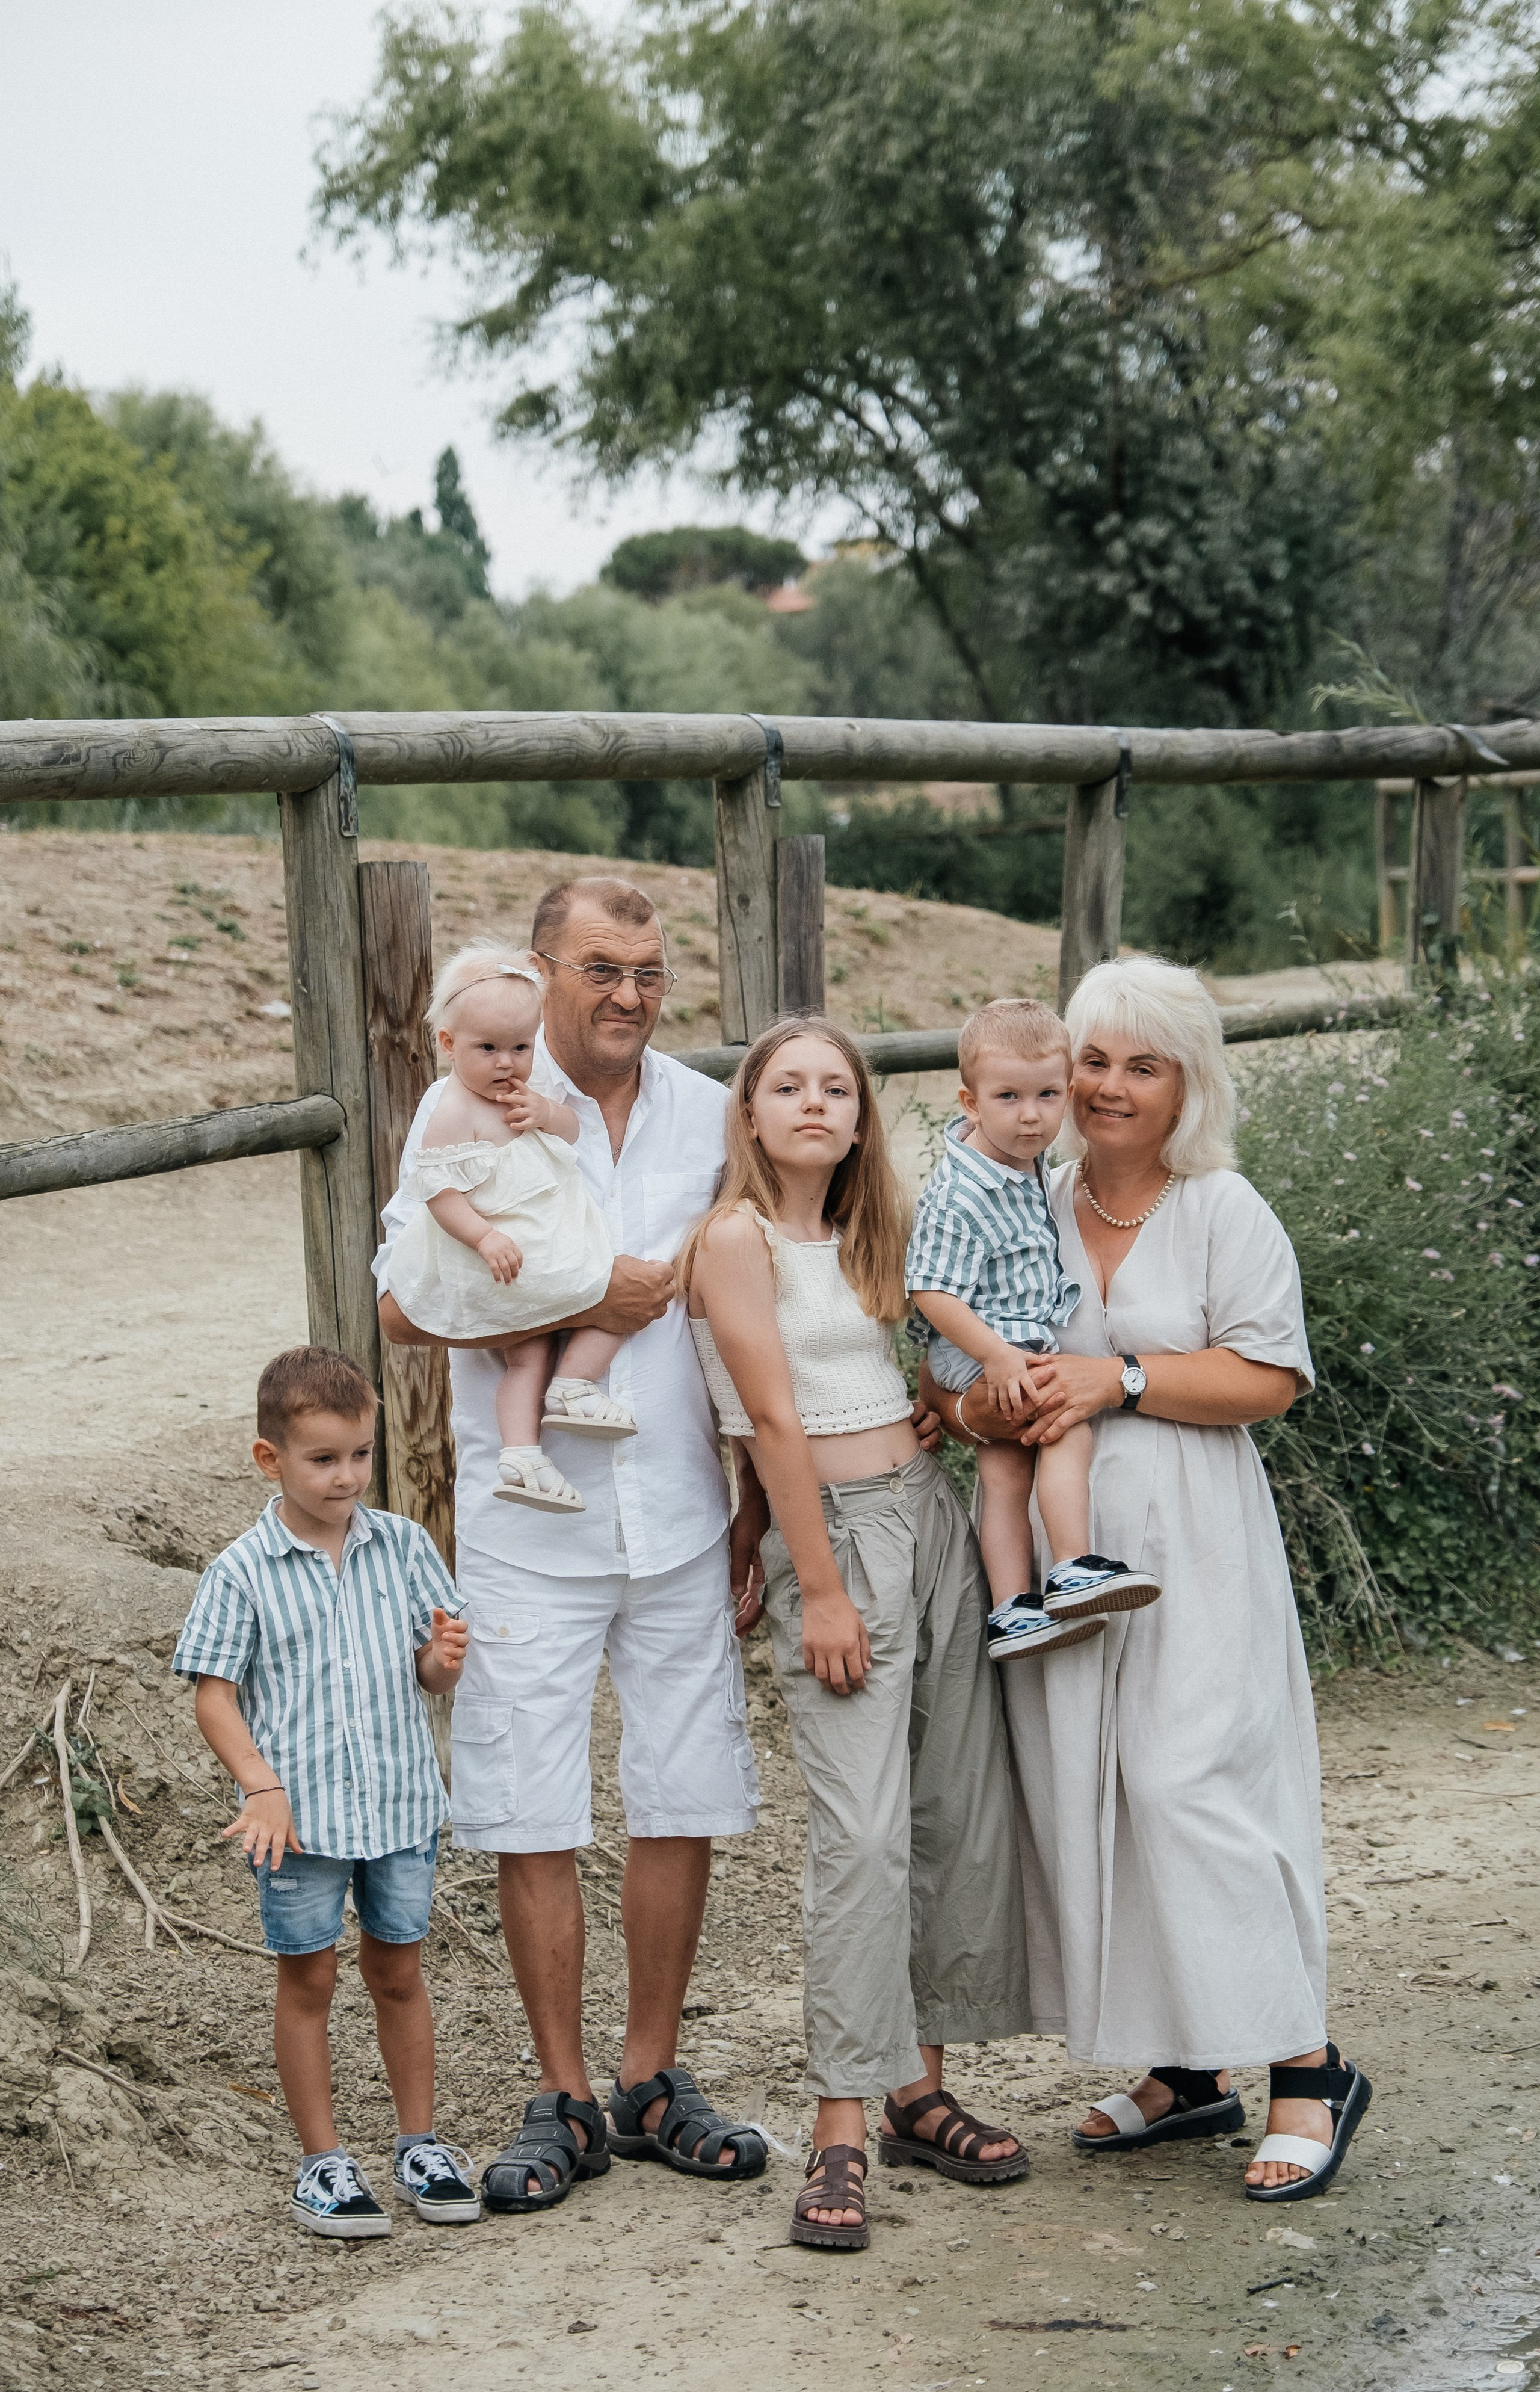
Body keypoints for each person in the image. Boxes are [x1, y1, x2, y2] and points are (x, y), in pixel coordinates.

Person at [925, 957, 1372, 2204]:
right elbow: (950, 1362)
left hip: (1190, 1534)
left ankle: (1308, 2064)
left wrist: (1117, 1378)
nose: (1109, 1086)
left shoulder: (1223, 1207)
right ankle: (1187, 2066)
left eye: (1142, 1065)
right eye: (1092, 1060)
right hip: (1057, 1544)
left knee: (1194, 1784)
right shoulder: (1026, 1190)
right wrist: (978, 1405)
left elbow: (1269, 1377)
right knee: (1100, 1790)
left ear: (1188, 1084)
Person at [375, 877, 775, 2213]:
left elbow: (758, 1302)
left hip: (680, 1499)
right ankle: (560, 2094)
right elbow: (399, 1305)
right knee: (528, 1794)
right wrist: (579, 1290)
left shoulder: (709, 1111)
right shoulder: (470, 1097)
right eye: (601, 968)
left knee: (683, 1784)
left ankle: (650, 2076)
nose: (629, 994)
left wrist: (754, 1506)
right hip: (527, 1515)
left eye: (649, 971)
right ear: (545, 969)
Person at [679, 1016, 1032, 2254]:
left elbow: (889, 1368)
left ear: (859, 1117)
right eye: (789, 1085)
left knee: (947, 1811)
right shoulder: (733, 1238)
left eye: (836, 1087)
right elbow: (769, 1421)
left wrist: (926, 1412)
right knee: (862, 1834)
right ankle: (837, 2125)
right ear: (751, 1110)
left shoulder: (869, 1230)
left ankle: (915, 2091)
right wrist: (814, 1585)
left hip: (927, 1517)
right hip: (834, 1543)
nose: (815, 1103)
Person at [173, 1345, 479, 2239]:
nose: (346, 1476)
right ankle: (323, 2162)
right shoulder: (242, 1570)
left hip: (398, 1805)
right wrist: (260, 1786)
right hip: (298, 1823)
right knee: (308, 1978)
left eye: (360, 1454)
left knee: (400, 1971)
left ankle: (419, 2144)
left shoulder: (404, 1546)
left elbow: (428, 1673)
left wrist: (442, 1662)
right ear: (270, 1458)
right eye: (323, 1458)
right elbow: (214, 1696)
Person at [906, 996, 1160, 1658]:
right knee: (1066, 1426)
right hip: (984, 1346)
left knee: (1005, 1474)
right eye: (1008, 1097)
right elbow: (930, 1289)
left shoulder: (1020, 1160)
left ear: (1067, 1093)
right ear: (971, 1103)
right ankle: (1073, 1566)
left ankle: (1012, 1609)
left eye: (1047, 1095)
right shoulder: (962, 1191)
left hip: (999, 1342)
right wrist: (996, 1356)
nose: (1030, 1115)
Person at [380, 941, 634, 1515]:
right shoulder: (453, 1110)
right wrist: (483, 1236)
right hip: (503, 1253)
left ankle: (551, 1416)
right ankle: (537, 1433)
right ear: (449, 1045)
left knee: (556, 1332)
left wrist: (546, 1114)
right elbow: (439, 1193)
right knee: (597, 1299)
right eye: (488, 1049)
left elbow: (573, 1131)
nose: (506, 1064)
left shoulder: (526, 1090)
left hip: (537, 1239)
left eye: (520, 1047)